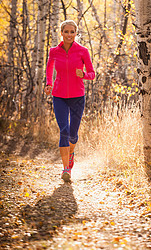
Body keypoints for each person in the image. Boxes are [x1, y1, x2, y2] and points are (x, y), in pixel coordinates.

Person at [44, 20, 95, 182]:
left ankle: (71, 152)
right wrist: (49, 84)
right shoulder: (54, 51)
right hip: (59, 96)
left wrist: (84, 75)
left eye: (72, 32)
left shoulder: (83, 51)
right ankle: (66, 169)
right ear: (61, 33)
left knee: (73, 134)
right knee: (64, 130)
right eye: (66, 31)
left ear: (76, 33)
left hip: (77, 97)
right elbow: (49, 68)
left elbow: (92, 73)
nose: (69, 35)